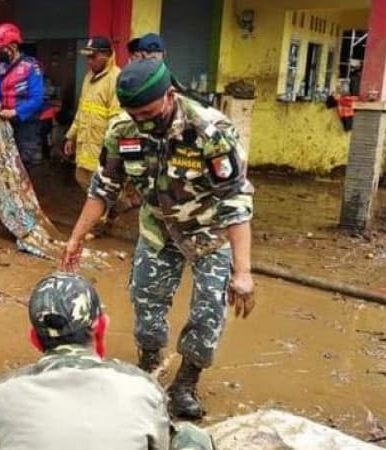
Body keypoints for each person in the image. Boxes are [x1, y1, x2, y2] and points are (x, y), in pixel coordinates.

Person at [60, 59, 256, 419]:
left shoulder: (210, 132)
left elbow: (235, 201)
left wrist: (242, 273)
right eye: (134, 114)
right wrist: (76, 237)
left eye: (149, 112)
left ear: (170, 94)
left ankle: (185, 383)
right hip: (156, 229)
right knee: (146, 303)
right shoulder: (123, 130)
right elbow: (103, 188)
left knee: (208, 311)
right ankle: (150, 368)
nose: (143, 122)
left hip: (208, 234)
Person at [0, 272, 214, 450]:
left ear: (35, 339)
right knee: (191, 435)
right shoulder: (140, 385)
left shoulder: (3, 391)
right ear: (99, 326)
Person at [64, 37, 121, 192]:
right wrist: (71, 136)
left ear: (106, 55)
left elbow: (117, 120)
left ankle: (112, 211)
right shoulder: (89, 77)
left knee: (104, 187)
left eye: (92, 57)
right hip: (85, 145)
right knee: (81, 178)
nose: (89, 61)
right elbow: (81, 110)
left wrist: (111, 150)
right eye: (87, 57)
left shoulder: (116, 79)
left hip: (102, 148)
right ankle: (102, 210)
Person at [0, 22, 45, 171]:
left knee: (26, 162)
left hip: (26, 123)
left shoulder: (31, 66)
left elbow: (37, 98)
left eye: (1, 49)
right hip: (5, 123)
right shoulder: (1, 68)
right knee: (6, 162)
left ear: (13, 47)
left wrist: (15, 112)